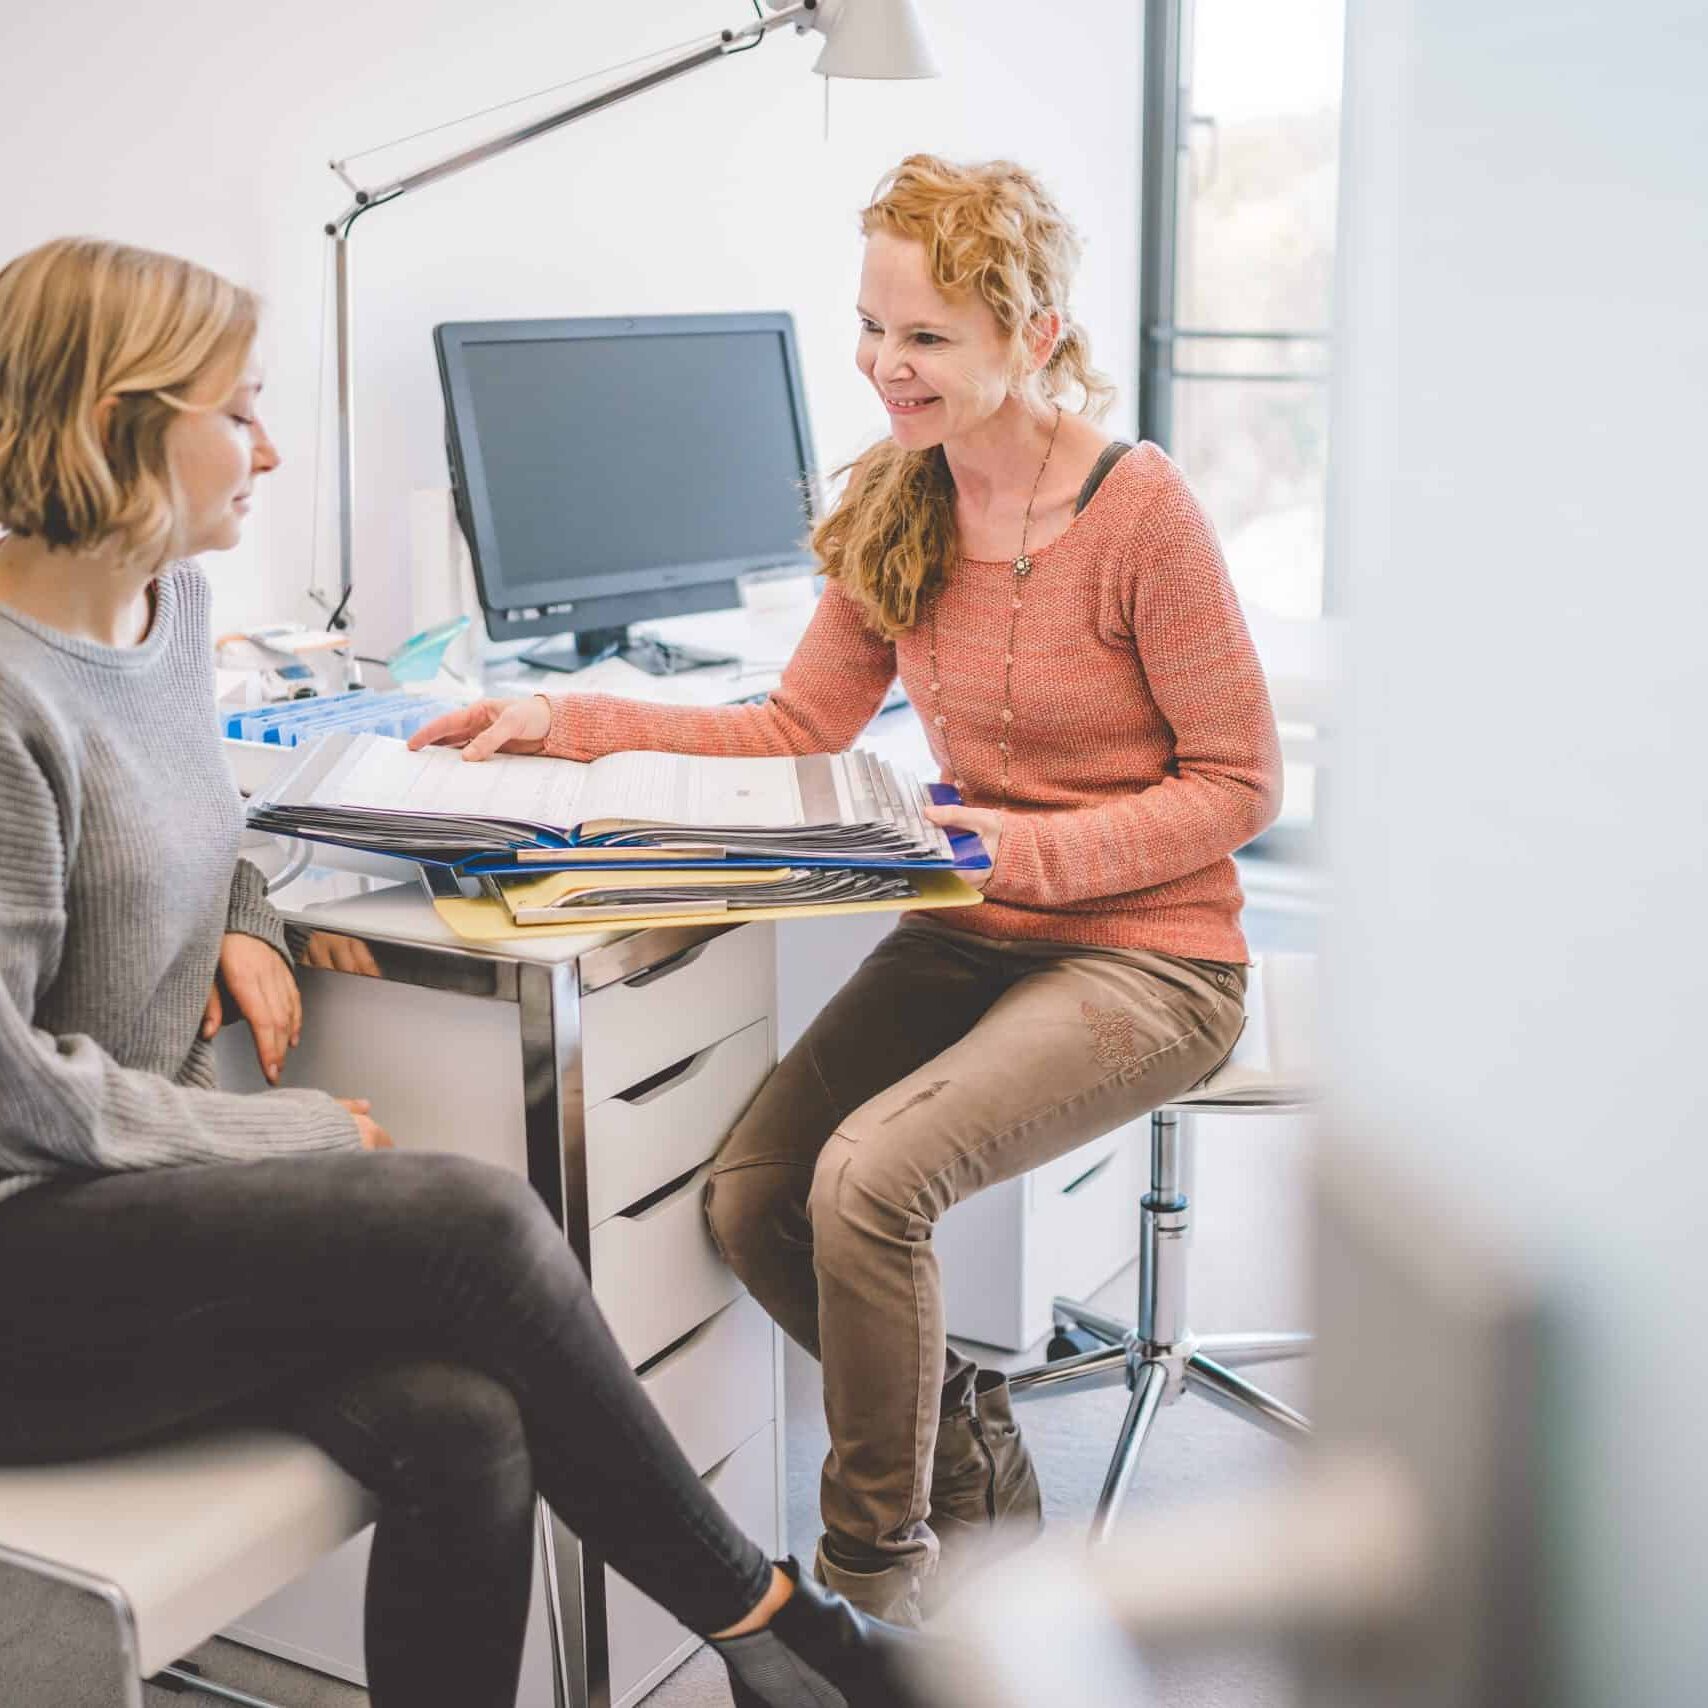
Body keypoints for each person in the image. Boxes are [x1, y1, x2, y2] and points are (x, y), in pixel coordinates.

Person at [0, 235, 926, 1708]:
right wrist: (274, 1136)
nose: (275, 447)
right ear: (118, 420)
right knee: (472, 1219)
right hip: (28, 1264)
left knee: (468, 1416)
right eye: (237, 412)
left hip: (135, 1215)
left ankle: (788, 1654)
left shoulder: (162, 604)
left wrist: (237, 904)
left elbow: (195, 810)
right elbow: (11, 1100)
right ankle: (791, 1640)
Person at [413, 154, 1283, 1622]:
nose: (884, 366)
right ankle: (968, 1423)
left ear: (1036, 334)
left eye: (928, 337)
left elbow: (1241, 787)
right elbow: (793, 726)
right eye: (871, 328)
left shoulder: (1143, 514)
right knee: (757, 1197)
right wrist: (564, 722)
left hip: (1155, 962)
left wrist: (1024, 854)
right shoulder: (899, 496)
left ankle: (872, 1586)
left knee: (871, 1181)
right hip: (975, 938)